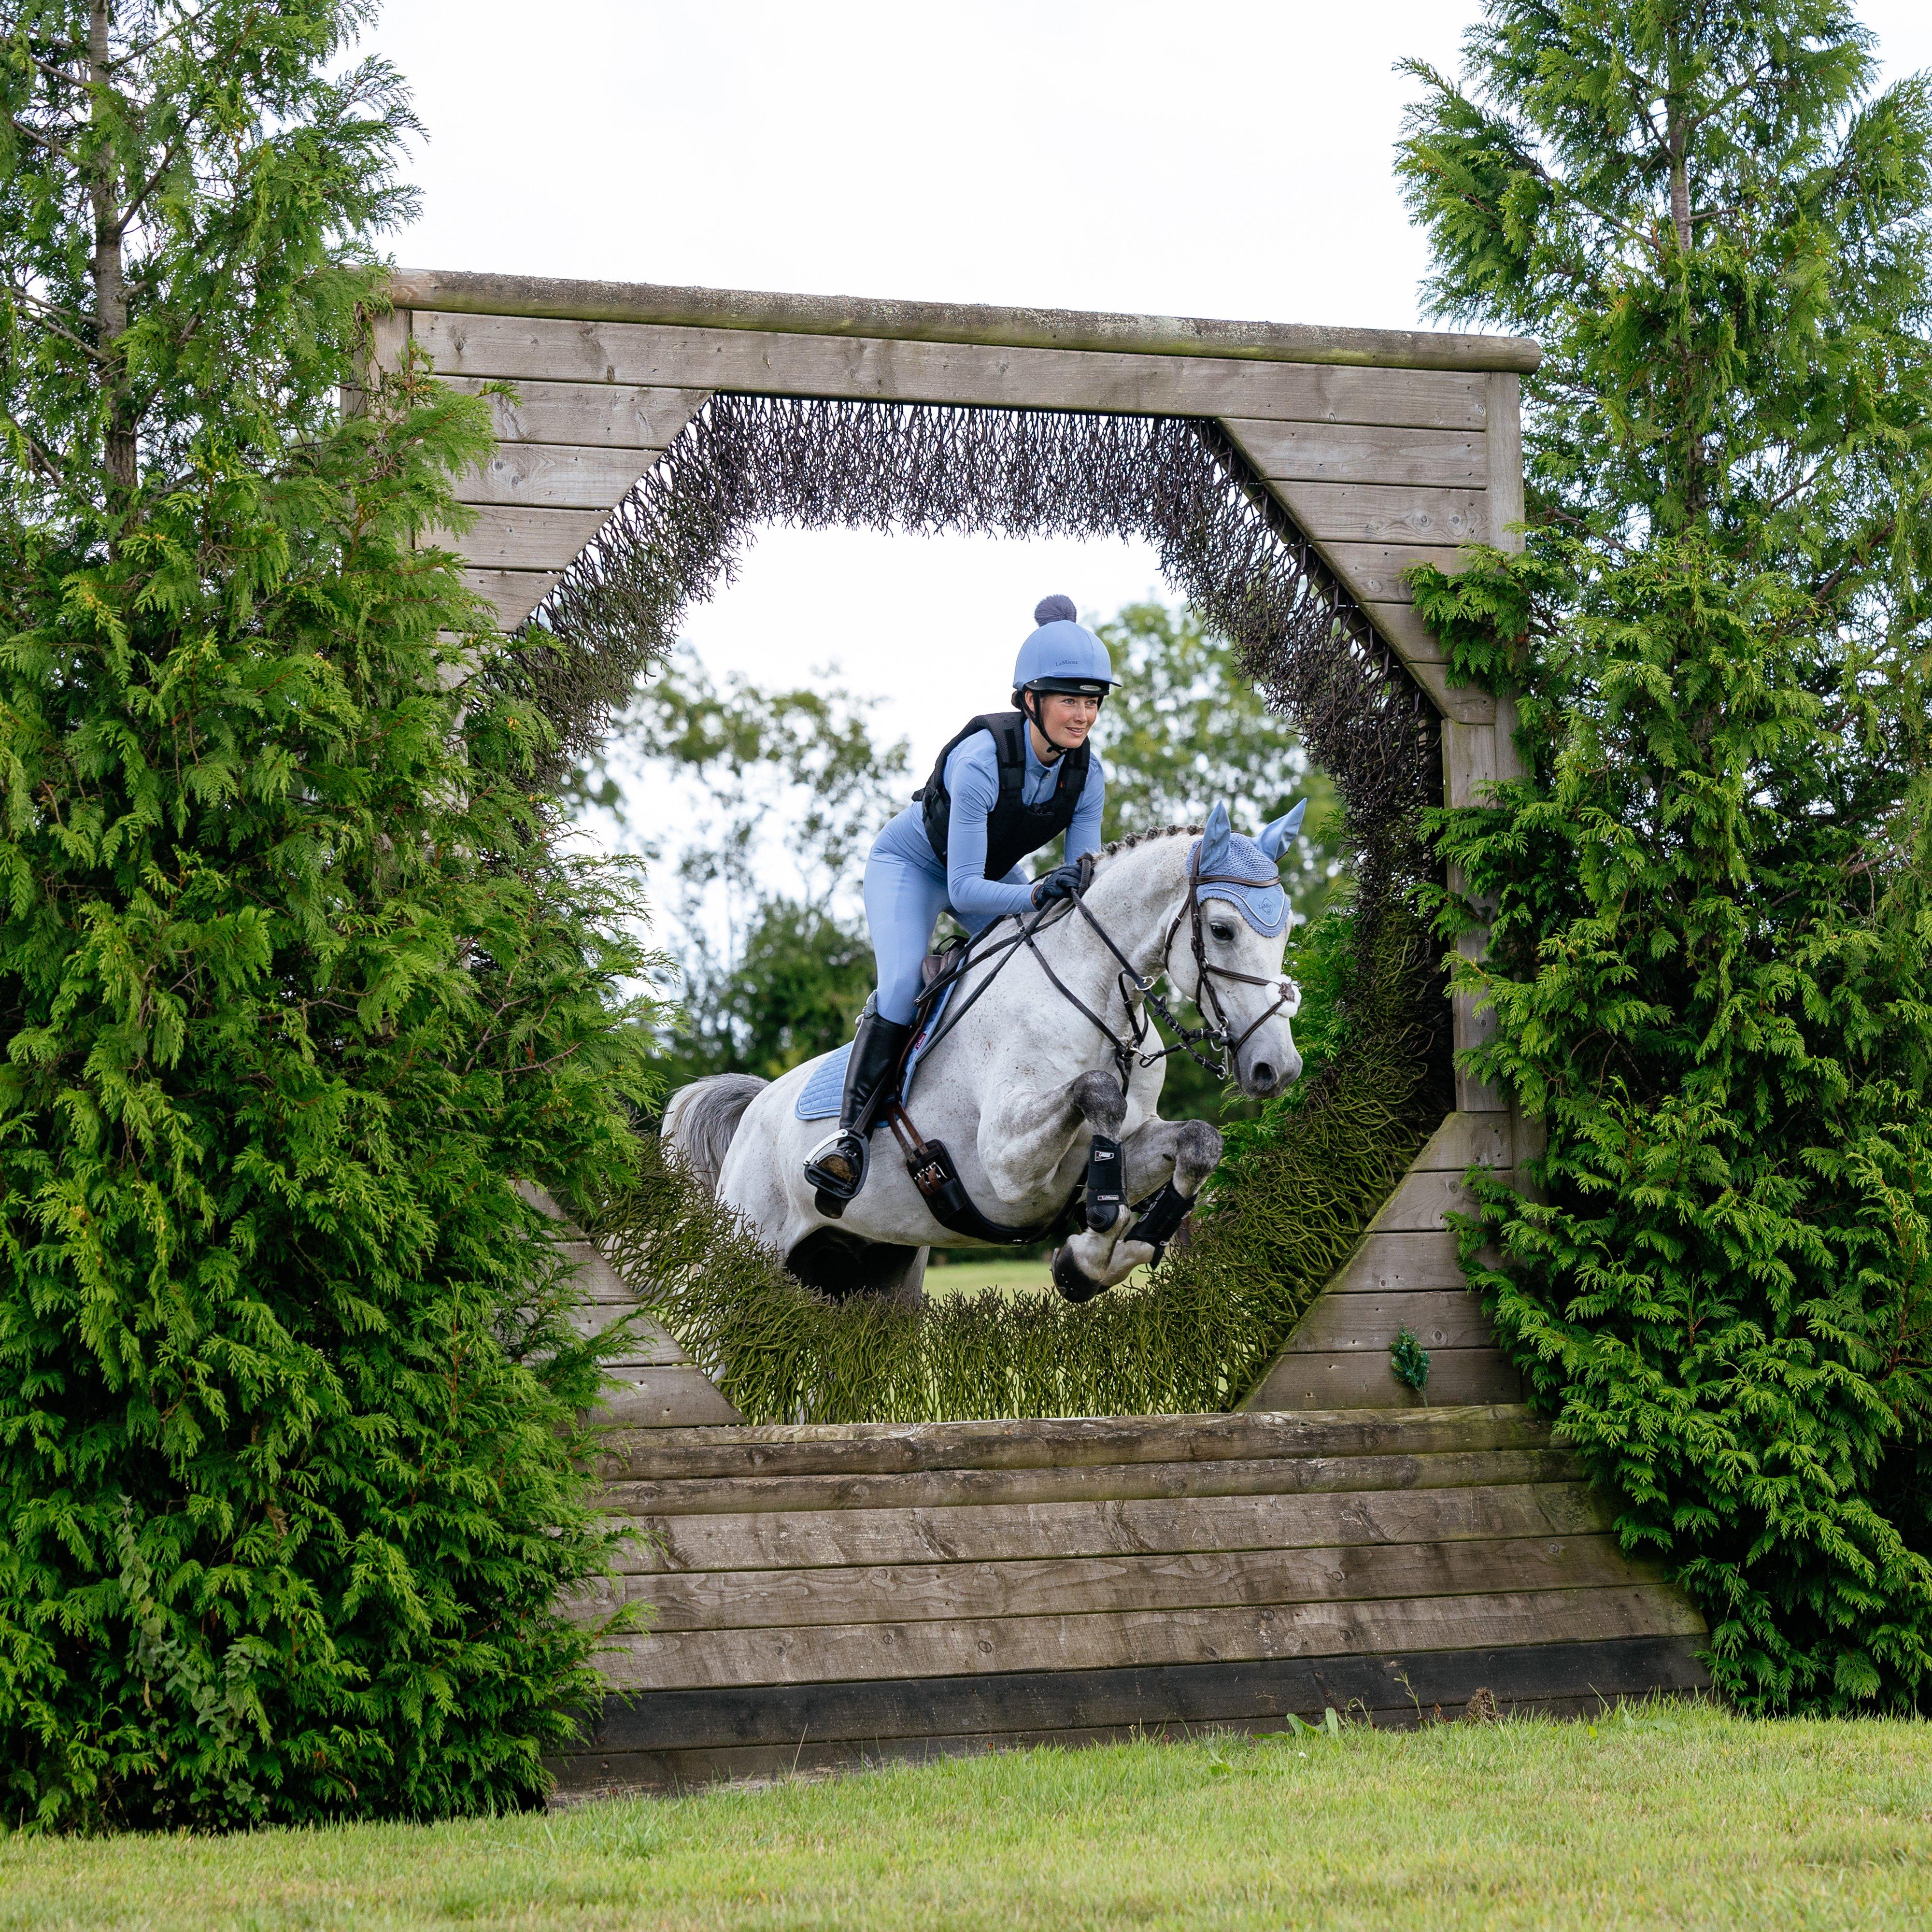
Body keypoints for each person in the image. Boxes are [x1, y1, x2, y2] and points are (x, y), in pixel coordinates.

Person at [804, 594, 1115, 1207]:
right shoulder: (978, 761)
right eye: (1068, 700)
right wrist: (1032, 893)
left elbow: (1081, 878)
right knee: (899, 988)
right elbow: (966, 888)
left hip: (992, 877)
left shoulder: (1087, 775)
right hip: (916, 868)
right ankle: (849, 1139)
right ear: (1030, 700)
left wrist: (1071, 897)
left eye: (1092, 702)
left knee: (1040, 963)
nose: (1082, 716)